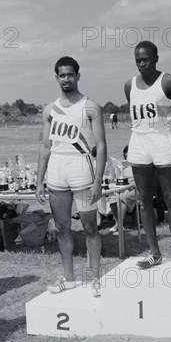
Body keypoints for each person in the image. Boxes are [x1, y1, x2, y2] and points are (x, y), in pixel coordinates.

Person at [36, 56, 107, 297]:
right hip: (57, 172)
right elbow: (45, 147)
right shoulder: (49, 109)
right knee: (62, 229)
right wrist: (39, 181)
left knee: (89, 228)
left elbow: (101, 145)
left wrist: (98, 180)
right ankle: (68, 278)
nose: (66, 78)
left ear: (78, 75)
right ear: (56, 77)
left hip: (82, 171)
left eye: (70, 74)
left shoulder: (91, 107)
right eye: (61, 75)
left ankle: (94, 278)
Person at [124, 40, 171, 271]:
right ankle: (155, 253)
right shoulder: (129, 86)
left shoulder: (169, 81)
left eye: (146, 59)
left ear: (156, 58)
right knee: (144, 200)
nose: (142, 63)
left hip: (163, 143)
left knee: (170, 199)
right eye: (138, 60)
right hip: (139, 144)